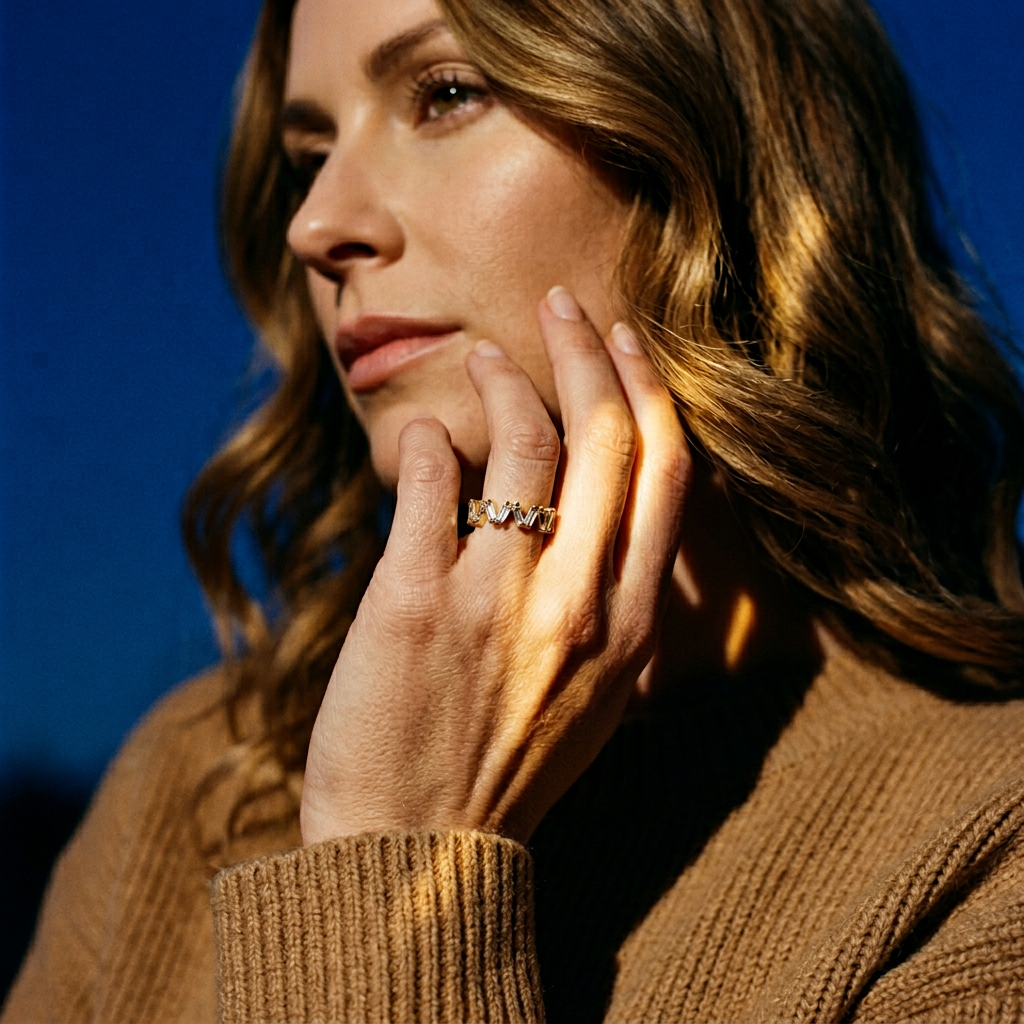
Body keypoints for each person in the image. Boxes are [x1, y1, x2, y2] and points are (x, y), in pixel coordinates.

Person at [4, 0, 1024, 1020]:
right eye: (309, 154)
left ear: (714, 144)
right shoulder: (197, 782)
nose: (314, 225)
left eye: (447, 95)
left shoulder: (985, 850)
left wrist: (399, 861)